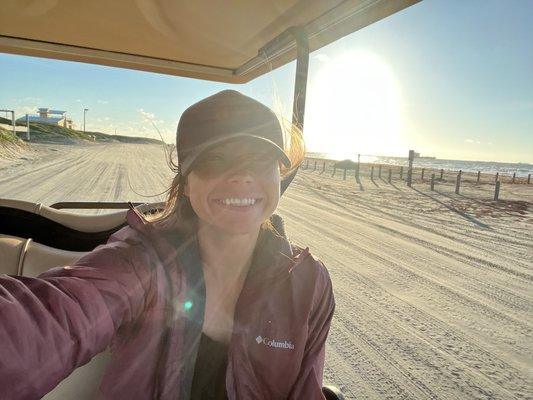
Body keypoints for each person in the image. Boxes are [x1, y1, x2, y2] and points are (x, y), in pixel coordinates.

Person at [0, 90, 335, 399]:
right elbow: (53, 318)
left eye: (259, 157)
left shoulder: (309, 283)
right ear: (185, 183)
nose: (241, 175)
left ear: (280, 174)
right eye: (215, 159)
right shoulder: (140, 262)